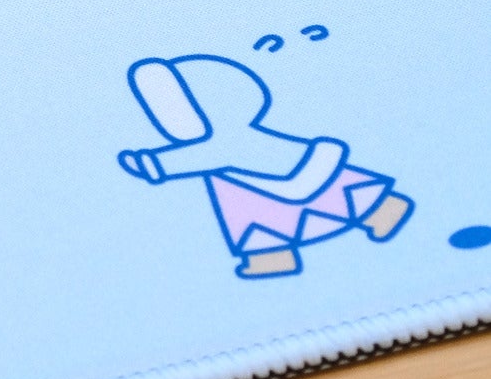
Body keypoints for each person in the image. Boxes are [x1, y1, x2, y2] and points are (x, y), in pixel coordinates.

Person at [118, 54, 412, 278]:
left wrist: (152, 163)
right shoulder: (226, 140)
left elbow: (194, 157)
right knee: (338, 194)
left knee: (267, 219)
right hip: (278, 172)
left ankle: (275, 258)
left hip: (283, 173)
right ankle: (382, 212)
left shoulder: (219, 144)